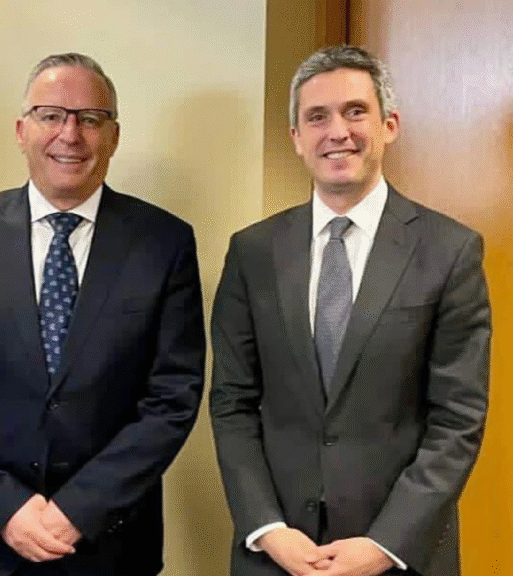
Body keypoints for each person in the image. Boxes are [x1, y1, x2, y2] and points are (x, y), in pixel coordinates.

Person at [0, 53, 205, 576]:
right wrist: (5, 507)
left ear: (113, 136)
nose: (70, 134)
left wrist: (80, 510)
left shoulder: (165, 242)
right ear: (21, 131)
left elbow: (172, 398)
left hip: (111, 546)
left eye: (90, 118)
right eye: (50, 115)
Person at [210, 45, 490, 576]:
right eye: (317, 117)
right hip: (277, 555)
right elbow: (232, 403)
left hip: (401, 555)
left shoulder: (449, 251)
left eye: (355, 111)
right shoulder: (252, 252)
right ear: (297, 137)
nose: (337, 132)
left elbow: (458, 420)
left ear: (389, 125)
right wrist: (267, 528)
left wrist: (384, 545)